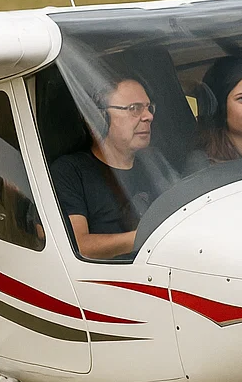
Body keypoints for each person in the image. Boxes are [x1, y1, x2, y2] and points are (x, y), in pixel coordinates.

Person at [52, 75, 161, 259]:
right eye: (134, 109)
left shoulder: (155, 162)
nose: (148, 116)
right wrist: (151, 237)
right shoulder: (69, 172)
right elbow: (78, 246)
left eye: (148, 107)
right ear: (100, 117)